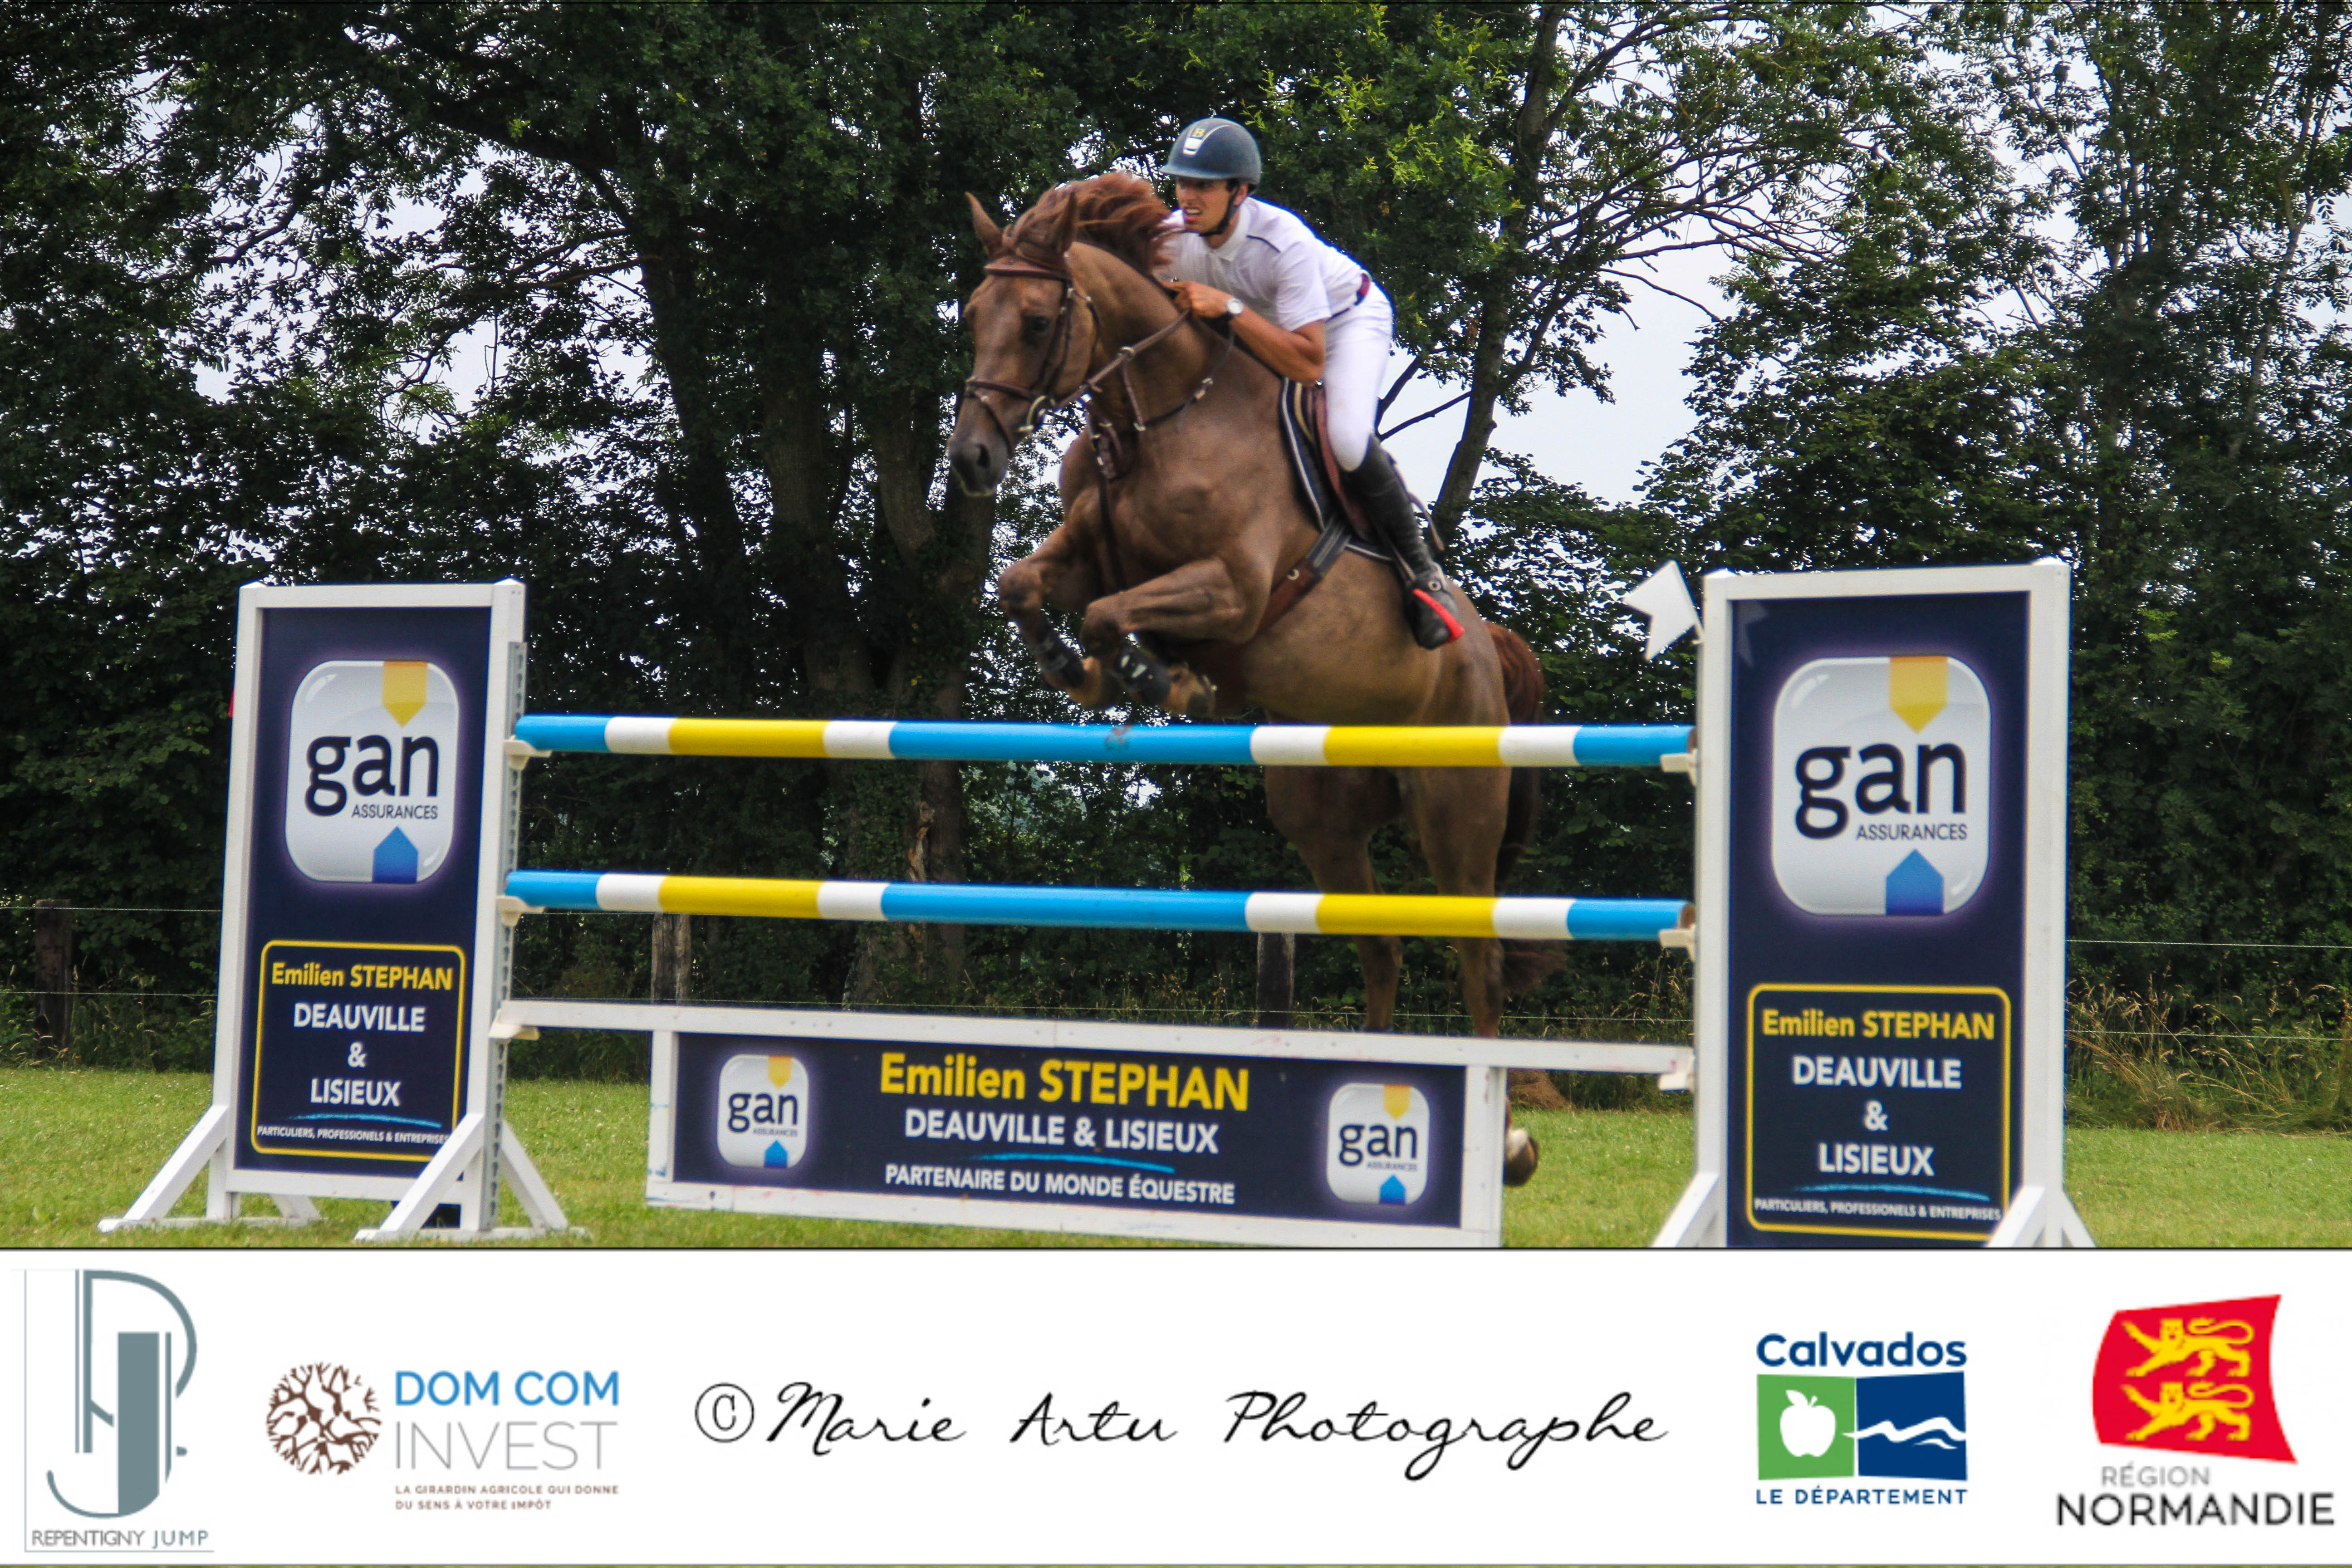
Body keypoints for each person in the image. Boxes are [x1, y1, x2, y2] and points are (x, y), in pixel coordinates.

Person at [1157, 116, 1461, 648]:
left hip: (1345, 325)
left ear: (1240, 192)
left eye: (1203, 185)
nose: (1188, 196)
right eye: (1182, 182)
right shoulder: (1170, 238)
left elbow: (1307, 365)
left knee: (1345, 439)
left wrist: (1228, 308)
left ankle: (1423, 574)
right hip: (1259, 333)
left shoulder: (1282, 241)